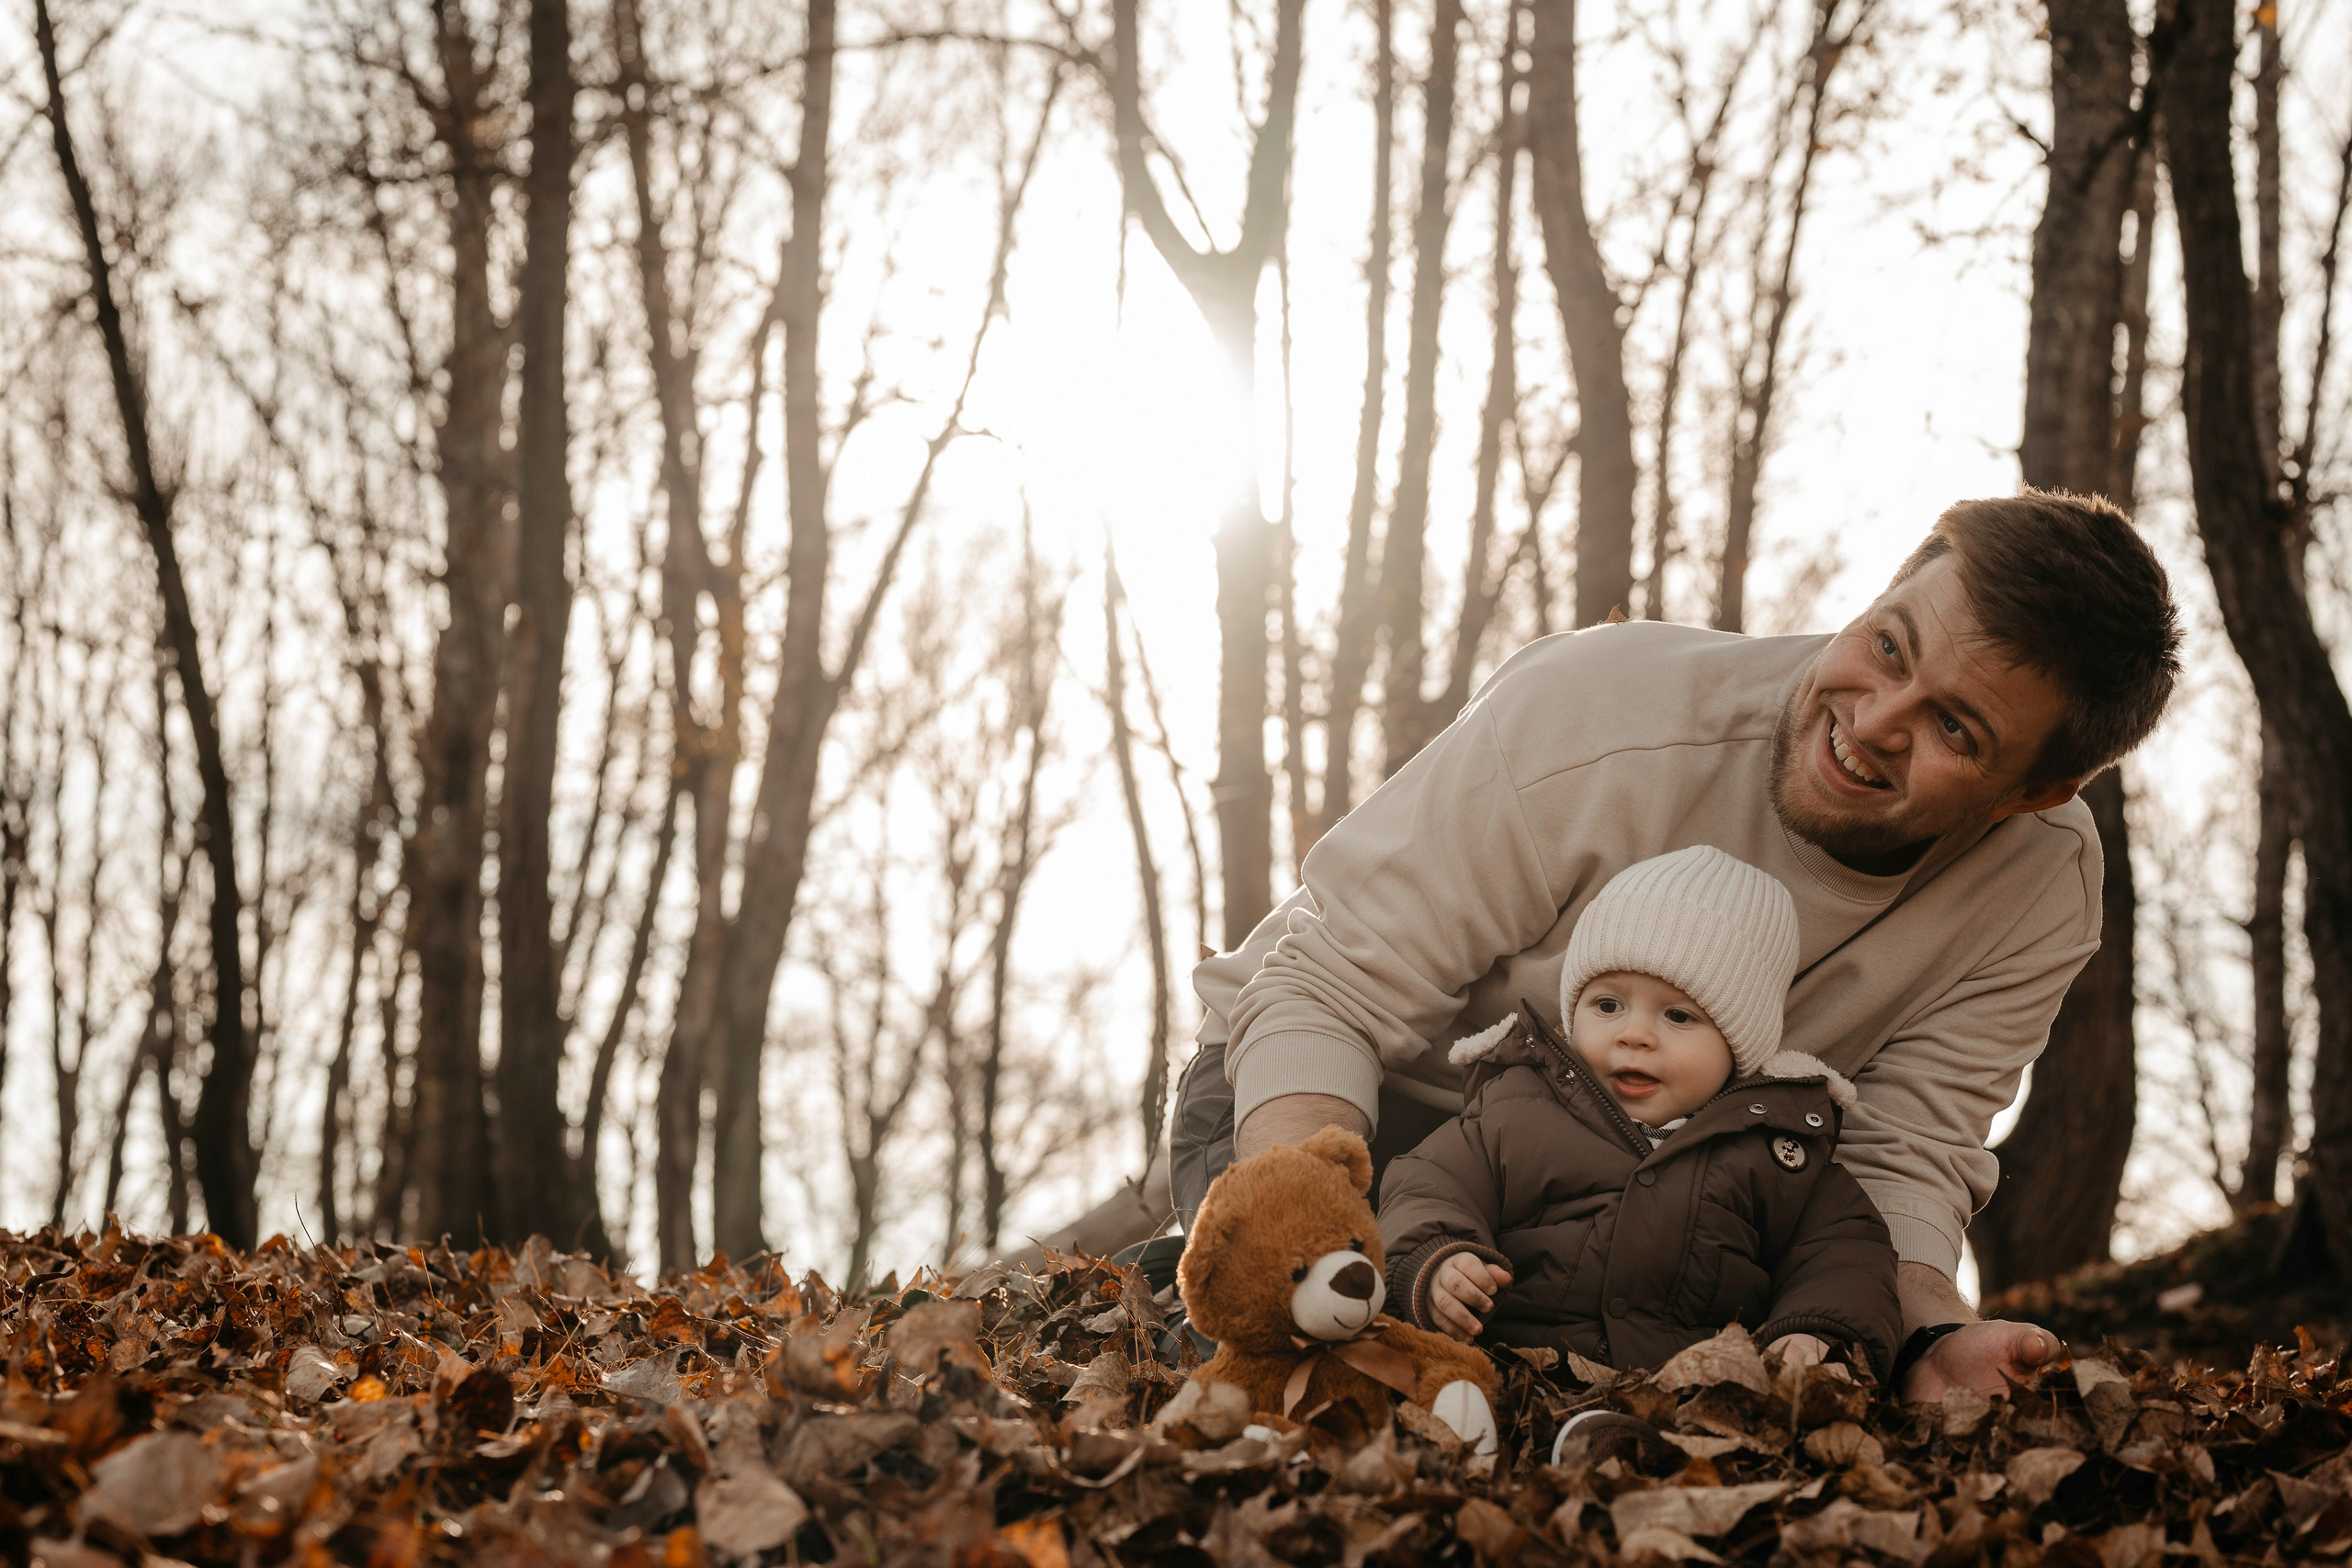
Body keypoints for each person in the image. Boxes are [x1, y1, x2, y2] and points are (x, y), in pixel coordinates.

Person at [1170, 492, 2181, 1399]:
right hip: (1346, 1089)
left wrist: (1928, 1336)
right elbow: (1329, 986)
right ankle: (1174, 1277)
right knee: (1319, 1353)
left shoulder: (2040, 881)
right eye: (1886, 647)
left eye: (1953, 729)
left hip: (1649, 1188)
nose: (1874, 722)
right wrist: (1302, 1202)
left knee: (1587, 1385)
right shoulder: (1599, 712)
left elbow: (1904, 1151)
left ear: (2035, 792)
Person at [1377, 847, 1905, 1384]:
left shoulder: (1777, 1150)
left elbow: (1846, 1252)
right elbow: (1430, 1182)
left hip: (1695, 1397)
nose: (1634, 1034)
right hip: (1520, 1372)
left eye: (1678, 1016)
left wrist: (1818, 1330)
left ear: (1739, 1045)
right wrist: (1437, 1261)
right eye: (1607, 1005)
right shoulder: (1516, 1107)